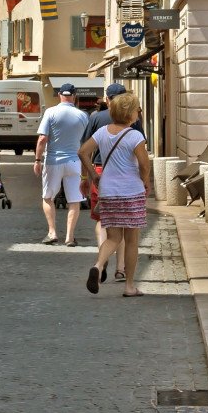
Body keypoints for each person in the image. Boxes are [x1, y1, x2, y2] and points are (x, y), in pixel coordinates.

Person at [79, 92, 152, 296]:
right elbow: (144, 164)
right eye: (137, 110)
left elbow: (83, 152)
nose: (138, 113)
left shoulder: (102, 132)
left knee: (112, 237)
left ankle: (98, 266)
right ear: (130, 113)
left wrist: (93, 175)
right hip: (131, 192)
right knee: (131, 240)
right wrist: (146, 182)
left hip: (108, 191)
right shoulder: (135, 136)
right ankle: (129, 286)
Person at [36, 84, 90, 247]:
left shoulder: (50, 112)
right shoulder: (83, 115)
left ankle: (52, 232)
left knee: (47, 197)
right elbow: (86, 142)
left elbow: (42, 139)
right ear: (74, 95)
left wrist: (38, 160)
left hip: (53, 161)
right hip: (75, 161)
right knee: (74, 200)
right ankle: (70, 237)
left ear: (59, 95)